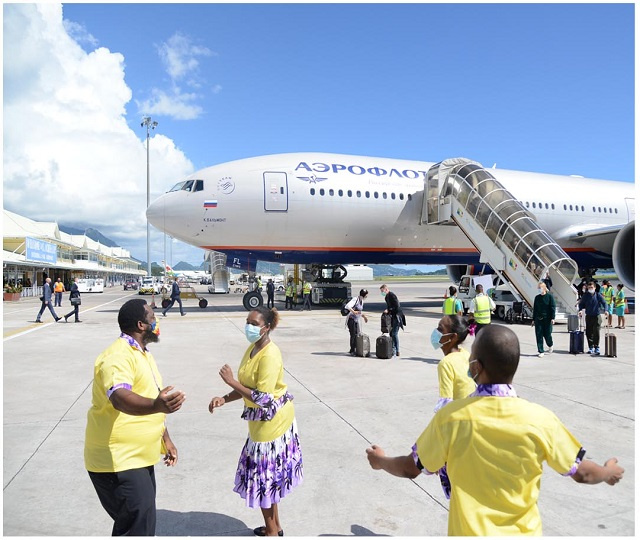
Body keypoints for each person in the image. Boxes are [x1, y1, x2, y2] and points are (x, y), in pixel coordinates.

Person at [365, 325, 624, 536]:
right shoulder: (540, 419)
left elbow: (412, 467)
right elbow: (581, 472)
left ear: (476, 367)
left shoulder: (451, 418)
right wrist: (607, 471)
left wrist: (380, 461)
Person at [84, 298, 185, 536]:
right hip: (118, 460)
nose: (156, 320)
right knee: (137, 528)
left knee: (141, 524)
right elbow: (119, 397)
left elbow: (153, 400)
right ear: (141, 325)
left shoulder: (142, 354)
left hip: (138, 457)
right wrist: (156, 403)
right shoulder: (118, 355)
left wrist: (166, 439)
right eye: (152, 316)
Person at [209, 307, 303, 537]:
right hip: (260, 421)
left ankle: (271, 531)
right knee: (268, 478)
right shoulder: (253, 348)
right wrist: (225, 398)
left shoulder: (270, 354)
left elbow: (264, 398)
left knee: (262, 480)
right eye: (247, 321)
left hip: (272, 424)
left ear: (266, 327)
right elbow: (248, 387)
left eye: (254, 323)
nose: (249, 327)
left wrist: (231, 382)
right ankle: (276, 526)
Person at [430, 315, 475, 498]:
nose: (436, 333)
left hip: (459, 432)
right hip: (474, 425)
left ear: (453, 337)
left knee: (457, 489)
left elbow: (445, 408)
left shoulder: (446, 363)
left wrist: (437, 449)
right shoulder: (467, 355)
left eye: (440, 329)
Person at [578, 280, 607, 355]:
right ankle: (591, 347)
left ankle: (596, 346)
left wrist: (606, 310)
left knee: (596, 331)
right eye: (589, 287)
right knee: (588, 332)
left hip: (596, 316)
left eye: (592, 287)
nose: (590, 288)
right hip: (589, 316)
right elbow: (581, 304)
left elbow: (604, 303)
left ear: (594, 287)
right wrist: (580, 310)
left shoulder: (598, 295)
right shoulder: (585, 296)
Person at [380, 284, 406, 357]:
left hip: (397, 316)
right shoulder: (386, 297)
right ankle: (393, 349)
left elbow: (397, 306)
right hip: (393, 316)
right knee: (391, 333)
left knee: (394, 333)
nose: (382, 293)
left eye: (382, 291)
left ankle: (396, 351)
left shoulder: (392, 295)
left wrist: (389, 310)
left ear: (386, 289)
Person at [532, 282, 555, 357]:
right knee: (539, 335)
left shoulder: (549, 297)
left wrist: (553, 318)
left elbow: (552, 308)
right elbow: (535, 309)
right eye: (538, 288)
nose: (539, 289)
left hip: (547, 319)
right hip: (538, 319)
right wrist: (533, 319)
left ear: (544, 288)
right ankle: (541, 351)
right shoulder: (537, 298)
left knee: (547, 334)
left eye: (540, 287)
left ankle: (550, 344)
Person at [345, 289, 369, 356]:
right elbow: (347, 306)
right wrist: (354, 312)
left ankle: (355, 348)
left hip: (356, 320)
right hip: (351, 320)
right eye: (366, 295)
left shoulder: (362, 301)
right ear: (363, 295)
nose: (366, 296)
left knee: (357, 334)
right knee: (353, 335)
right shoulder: (355, 299)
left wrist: (364, 317)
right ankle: (352, 350)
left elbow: (359, 311)